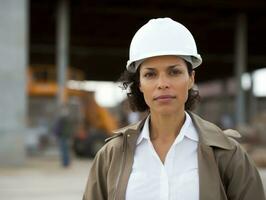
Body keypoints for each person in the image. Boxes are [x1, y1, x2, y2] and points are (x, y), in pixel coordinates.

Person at [82, 18, 265, 200]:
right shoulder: (112, 154)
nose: (162, 84)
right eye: (150, 74)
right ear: (140, 84)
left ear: (191, 78)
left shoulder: (227, 154)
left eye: (174, 72)